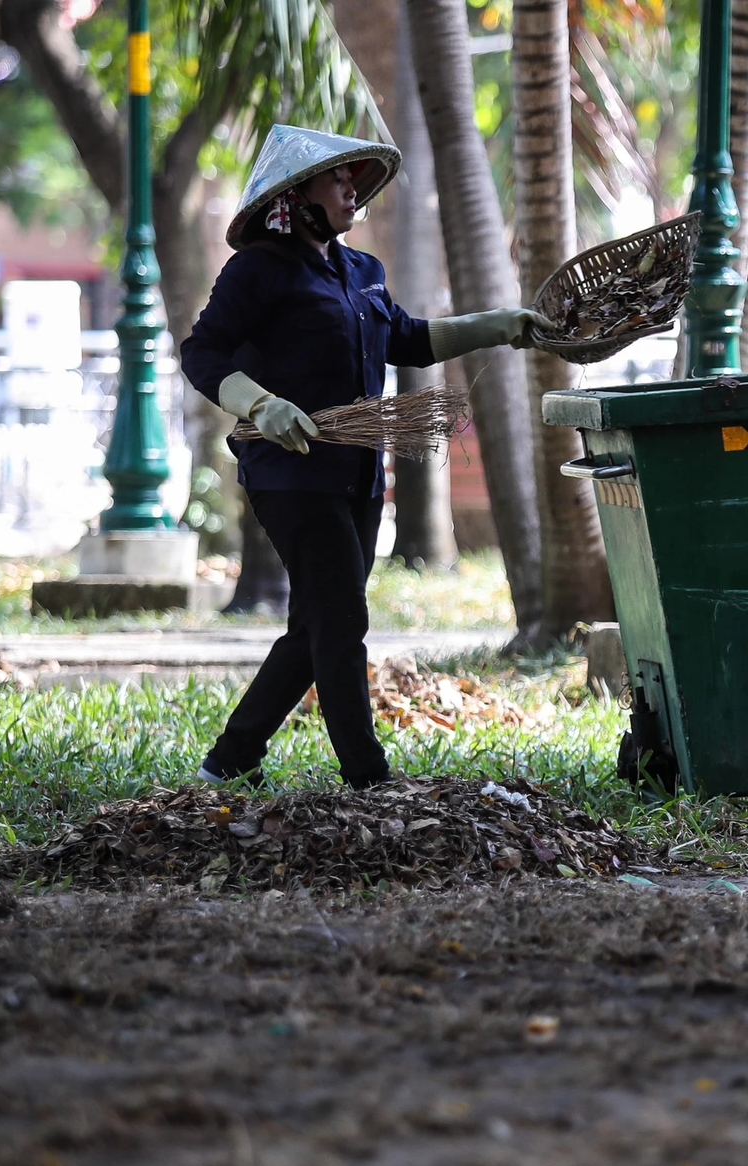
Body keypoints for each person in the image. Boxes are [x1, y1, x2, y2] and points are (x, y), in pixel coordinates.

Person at [180, 124, 553, 789]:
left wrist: (501, 323)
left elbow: (407, 339)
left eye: (355, 177)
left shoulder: (361, 271)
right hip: (290, 472)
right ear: (295, 196)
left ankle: (230, 759)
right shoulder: (259, 269)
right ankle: (368, 777)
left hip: (358, 473)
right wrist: (262, 404)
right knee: (343, 619)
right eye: (338, 177)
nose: (352, 188)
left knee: (318, 622)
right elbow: (202, 353)